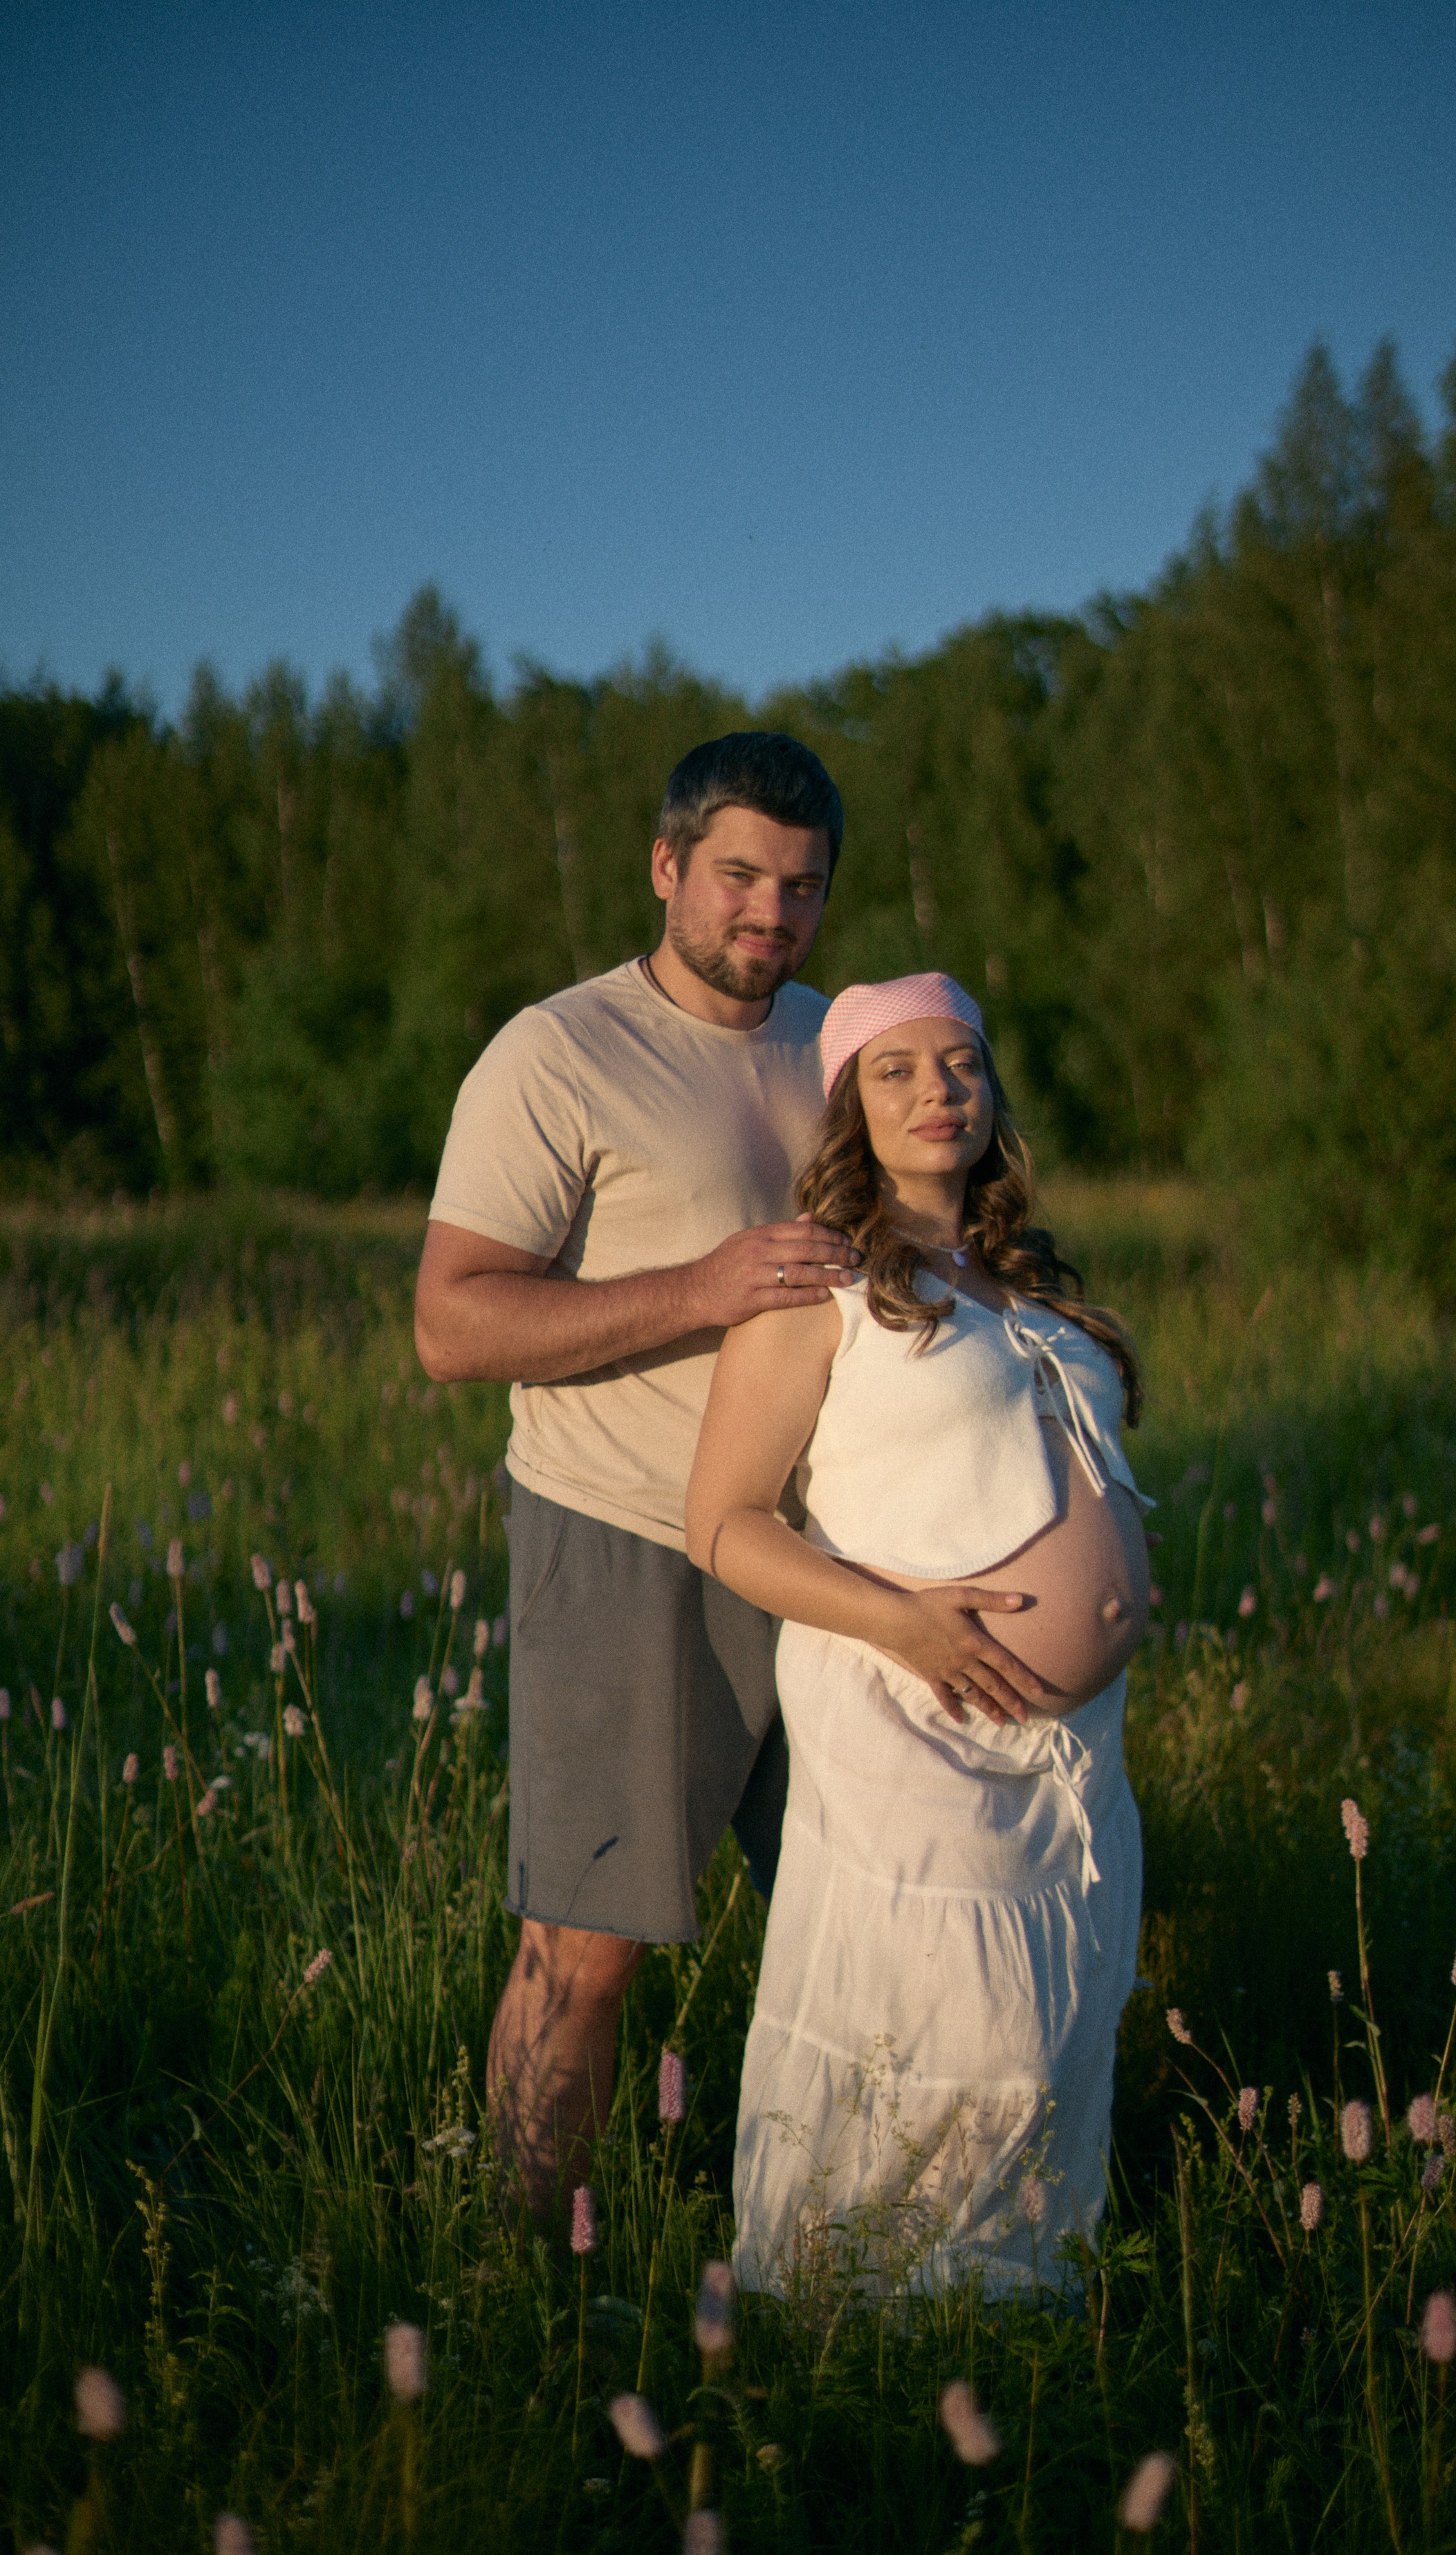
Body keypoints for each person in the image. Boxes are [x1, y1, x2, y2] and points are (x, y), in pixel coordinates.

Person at [414, 731, 859, 2220]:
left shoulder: (836, 1043)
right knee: (585, 1948)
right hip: (625, 1548)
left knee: (859, 1921)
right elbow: (452, 1322)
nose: (768, 914)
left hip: (830, 1556)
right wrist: (703, 1287)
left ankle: (862, 2259)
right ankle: (522, 2281)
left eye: (799, 887)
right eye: (737, 875)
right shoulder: (558, 1052)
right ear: (665, 868)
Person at [683, 971, 1150, 2298]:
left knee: (1054, 2033)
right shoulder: (816, 1287)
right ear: (847, 1107)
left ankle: (1018, 2307)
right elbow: (724, 1521)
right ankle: (864, 2315)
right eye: (898, 1071)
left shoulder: (1020, 1279)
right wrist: (909, 1627)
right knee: (955, 2027)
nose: (938, 1093)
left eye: (962, 1066)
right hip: (915, 1706)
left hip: (1068, 1748)